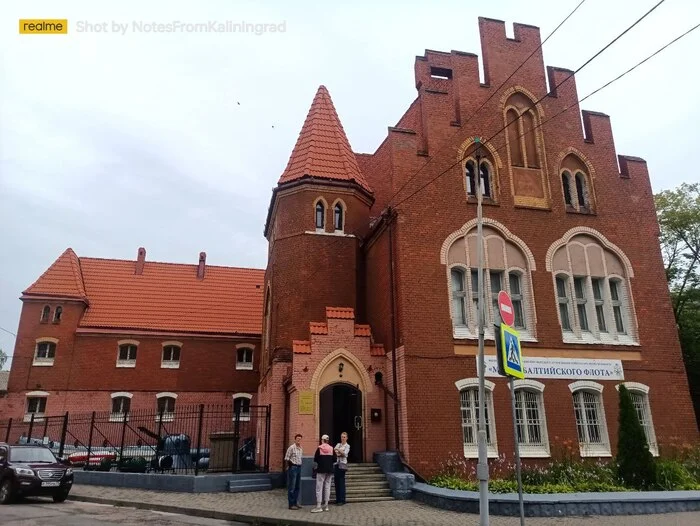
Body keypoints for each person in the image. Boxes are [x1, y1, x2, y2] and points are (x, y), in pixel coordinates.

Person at [311, 434, 336, 513]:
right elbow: (334, 459)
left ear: (322, 440)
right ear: (328, 441)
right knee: (327, 487)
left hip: (321, 470)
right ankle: (326, 505)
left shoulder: (319, 448)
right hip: (329, 470)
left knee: (319, 487)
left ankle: (319, 506)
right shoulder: (332, 448)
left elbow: (315, 459)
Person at [284, 433, 303, 510]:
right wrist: (290, 466)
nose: (298, 440)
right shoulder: (291, 448)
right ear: (295, 439)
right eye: (297, 439)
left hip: (299, 467)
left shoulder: (301, 448)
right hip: (293, 468)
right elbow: (287, 458)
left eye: (300, 439)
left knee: (297, 486)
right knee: (292, 486)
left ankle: (295, 502)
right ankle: (291, 504)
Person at [334, 432, 350, 505]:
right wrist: (341, 452)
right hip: (337, 464)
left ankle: (342, 500)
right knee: (336, 482)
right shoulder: (338, 444)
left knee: (341, 482)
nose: (342, 438)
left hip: (343, 465)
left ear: (346, 438)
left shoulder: (347, 446)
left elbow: (345, 454)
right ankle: (337, 499)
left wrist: (339, 451)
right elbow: (336, 452)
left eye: (344, 437)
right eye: (341, 437)